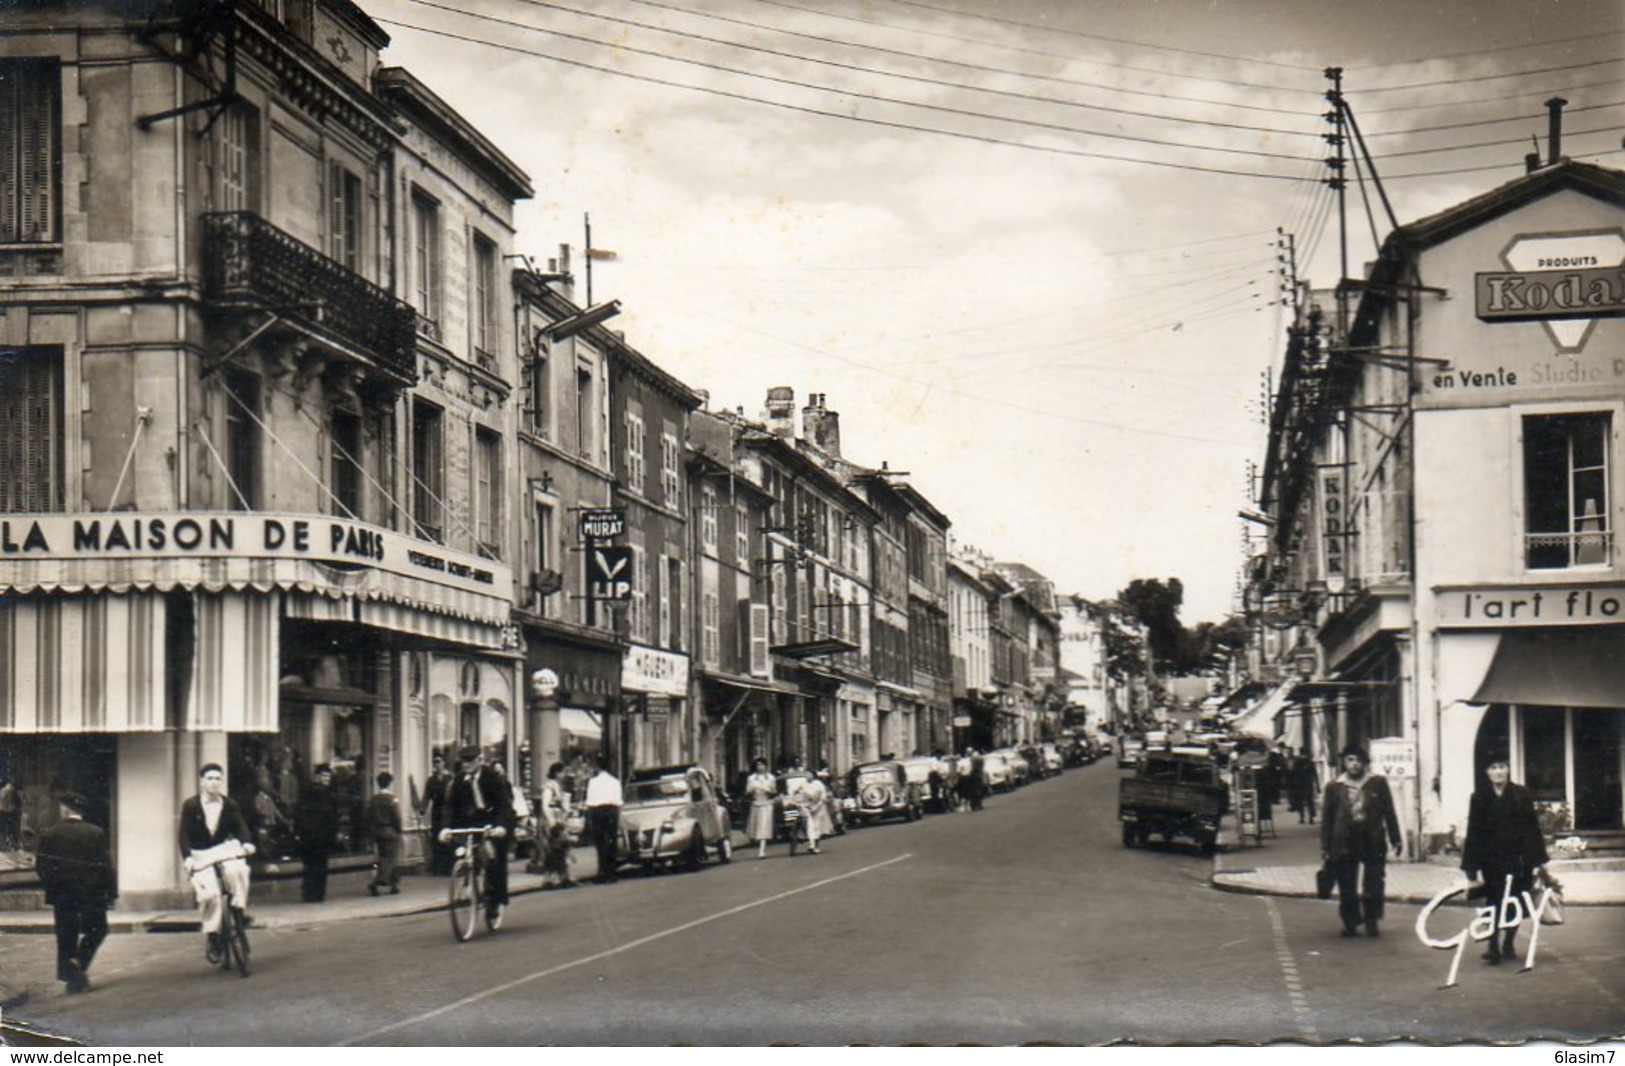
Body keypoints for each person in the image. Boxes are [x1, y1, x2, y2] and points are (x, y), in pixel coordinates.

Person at [1460, 748, 1549, 966]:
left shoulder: (1521, 794)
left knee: (1514, 901)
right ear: (1486, 772)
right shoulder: (1479, 797)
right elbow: (1474, 831)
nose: (1498, 772)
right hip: (1492, 861)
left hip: (1518, 859)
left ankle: (1508, 941)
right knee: (1493, 902)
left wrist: (1537, 861)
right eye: (1493, 768)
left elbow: (1532, 829)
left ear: (1508, 769)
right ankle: (1493, 946)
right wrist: (1471, 864)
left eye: (1502, 767)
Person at [1320, 744, 1403, 938]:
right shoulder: (1334, 786)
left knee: (1374, 883)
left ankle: (1371, 920)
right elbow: (1327, 818)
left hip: (1372, 838)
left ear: (1364, 763)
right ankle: (1350, 923)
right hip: (1344, 840)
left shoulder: (1377, 782)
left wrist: (1396, 839)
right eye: (1350, 760)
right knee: (1347, 884)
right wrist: (1325, 845)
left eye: (1358, 760)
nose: (1354, 764)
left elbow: (1388, 812)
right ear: (1344, 762)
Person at [36, 792, 114, 994]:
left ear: (64, 809)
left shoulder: (50, 834)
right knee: (98, 930)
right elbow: (106, 865)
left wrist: (51, 887)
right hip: (92, 894)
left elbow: (41, 866)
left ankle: (72, 973)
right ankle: (78, 966)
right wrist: (110, 893)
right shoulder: (95, 832)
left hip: (63, 894)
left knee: (66, 935)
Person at [177, 763, 255, 962]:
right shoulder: (191, 805)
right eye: (210, 778)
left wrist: (246, 843)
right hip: (200, 853)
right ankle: (213, 935)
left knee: (239, 870)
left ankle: (238, 907)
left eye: (218, 778)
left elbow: (240, 825)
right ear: (202, 782)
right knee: (209, 894)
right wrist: (187, 857)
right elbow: (183, 833)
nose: (214, 783)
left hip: (222, 849)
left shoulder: (229, 804)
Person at [447, 747, 515, 919]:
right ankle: (467, 875)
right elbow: (449, 807)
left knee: (494, 858)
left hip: (493, 821)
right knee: (463, 851)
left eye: (470, 761)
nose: (467, 765)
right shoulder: (459, 779)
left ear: (479, 760)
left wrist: (500, 827)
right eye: (464, 761)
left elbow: (503, 804)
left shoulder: (492, 777)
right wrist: (446, 828)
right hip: (472, 822)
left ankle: (494, 899)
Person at [294, 764, 340, 903]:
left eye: (328, 776)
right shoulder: (325, 794)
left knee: (311, 866)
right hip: (319, 837)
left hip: (311, 837)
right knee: (319, 866)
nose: (327, 779)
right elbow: (331, 816)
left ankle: (310, 894)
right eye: (324, 776)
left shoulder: (309, 792)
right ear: (317, 777)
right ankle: (317, 894)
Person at [534, 762, 576, 888]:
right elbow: (545, 805)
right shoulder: (549, 786)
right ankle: (552, 877)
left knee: (561, 848)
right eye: (562, 772)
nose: (564, 775)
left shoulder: (557, 786)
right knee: (552, 849)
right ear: (557, 773)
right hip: (551, 820)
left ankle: (561, 875)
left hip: (558, 819)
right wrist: (552, 823)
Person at [583, 759, 623, 884]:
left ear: (597, 767)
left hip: (598, 812)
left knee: (600, 842)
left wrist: (588, 817)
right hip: (612, 811)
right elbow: (619, 801)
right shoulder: (615, 781)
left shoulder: (593, 782)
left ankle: (602, 872)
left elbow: (590, 801)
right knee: (611, 841)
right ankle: (612, 872)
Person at [365, 772, 403, 897]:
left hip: (377, 831)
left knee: (382, 857)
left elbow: (368, 816)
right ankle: (377, 882)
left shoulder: (374, 799)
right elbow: (397, 817)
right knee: (391, 859)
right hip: (390, 830)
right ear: (390, 783)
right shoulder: (392, 799)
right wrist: (399, 830)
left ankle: (394, 886)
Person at [420, 752, 455, 876]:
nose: (437, 765)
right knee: (436, 839)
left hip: (449, 811)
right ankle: (438, 868)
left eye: (439, 762)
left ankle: (449, 867)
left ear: (444, 763)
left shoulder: (450, 778)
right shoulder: (431, 780)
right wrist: (422, 809)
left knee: (447, 838)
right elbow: (427, 796)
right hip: (437, 812)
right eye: (435, 762)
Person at [786, 772, 826, 855]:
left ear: (813, 775)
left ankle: (816, 846)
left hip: (818, 807)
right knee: (810, 825)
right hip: (807, 807)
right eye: (806, 775)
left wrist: (817, 807)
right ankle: (811, 845)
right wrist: (792, 795)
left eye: (809, 774)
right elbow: (793, 790)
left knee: (816, 826)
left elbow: (823, 798)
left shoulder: (819, 784)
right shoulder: (803, 783)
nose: (807, 776)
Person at [744, 758, 777, 859]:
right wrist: (751, 790)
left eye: (762, 765)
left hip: (766, 804)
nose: (760, 767)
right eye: (758, 765)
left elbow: (774, 791)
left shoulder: (771, 778)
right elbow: (747, 792)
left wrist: (768, 791)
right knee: (756, 827)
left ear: (766, 766)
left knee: (764, 827)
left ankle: (762, 850)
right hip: (756, 803)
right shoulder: (752, 778)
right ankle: (757, 844)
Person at [1288, 748, 1320, 824]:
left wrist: (1291, 785)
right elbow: (1315, 775)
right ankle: (1311, 818)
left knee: (1300, 802)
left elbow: (1293, 774)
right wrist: (1318, 786)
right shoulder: (1310, 763)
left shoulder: (1297, 762)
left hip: (1299, 784)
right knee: (1310, 802)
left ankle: (1302, 818)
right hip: (1308, 784)